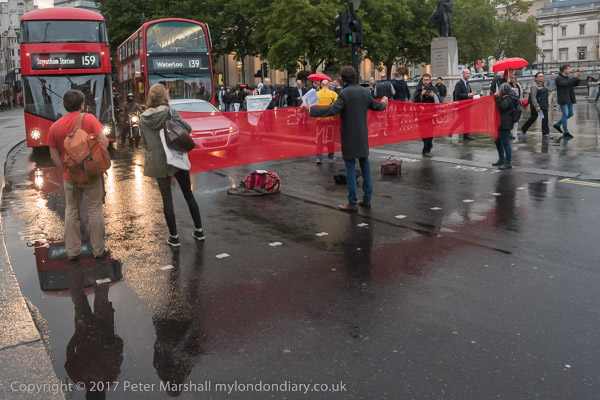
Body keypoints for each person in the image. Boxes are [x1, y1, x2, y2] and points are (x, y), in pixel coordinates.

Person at [301, 66, 388, 212]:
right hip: (362, 135)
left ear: (342, 79)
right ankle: (367, 199)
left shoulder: (344, 94)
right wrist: (384, 103)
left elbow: (332, 110)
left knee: (350, 168)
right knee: (365, 166)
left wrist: (309, 110)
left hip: (349, 136)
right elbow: (376, 106)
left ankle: (352, 202)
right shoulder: (364, 91)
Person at [140, 84, 204, 247]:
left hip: (158, 161)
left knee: (166, 199)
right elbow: (187, 129)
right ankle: (199, 231)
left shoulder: (143, 118)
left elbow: (144, 143)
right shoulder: (170, 112)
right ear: (165, 96)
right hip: (176, 157)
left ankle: (174, 237)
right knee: (188, 194)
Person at [48, 90, 109, 260]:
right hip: (91, 174)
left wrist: (66, 169)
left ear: (65, 106)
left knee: (71, 211)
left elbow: (54, 156)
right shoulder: (89, 119)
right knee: (95, 210)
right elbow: (104, 142)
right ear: (82, 105)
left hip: (70, 176)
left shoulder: (55, 127)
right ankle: (98, 250)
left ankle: (73, 252)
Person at [413, 74, 440, 157]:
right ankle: (428, 145)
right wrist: (421, 94)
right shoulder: (418, 89)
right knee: (423, 133)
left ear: (430, 80)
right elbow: (414, 100)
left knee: (430, 133)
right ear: (422, 80)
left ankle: (426, 150)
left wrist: (433, 96)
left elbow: (439, 99)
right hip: (421, 115)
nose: (426, 81)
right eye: (424, 80)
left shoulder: (434, 88)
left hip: (431, 115)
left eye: (427, 80)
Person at [494, 83, 519, 169]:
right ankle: (501, 159)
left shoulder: (509, 98)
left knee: (505, 143)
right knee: (498, 141)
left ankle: (508, 162)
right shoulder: (508, 97)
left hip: (505, 123)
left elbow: (502, 106)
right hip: (502, 122)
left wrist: (497, 97)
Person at [520, 72, 550, 141]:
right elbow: (533, 96)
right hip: (536, 105)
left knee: (545, 119)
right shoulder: (534, 86)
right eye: (540, 76)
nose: (541, 78)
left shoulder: (543, 85)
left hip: (544, 105)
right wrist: (536, 105)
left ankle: (546, 133)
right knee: (533, 118)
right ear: (536, 78)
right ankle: (523, 129)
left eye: (542, 76)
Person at [553, 64, 580, 138]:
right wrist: (573, 77)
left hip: (569, 98)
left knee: (570, 114)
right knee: (565, 114)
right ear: (564, 70)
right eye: (568, 69)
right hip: (563, 98)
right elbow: (565, 84)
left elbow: (574, 84)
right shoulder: (558, 78)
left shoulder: (567, 77)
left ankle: (558, 124)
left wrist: (577, 79)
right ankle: (566, 131)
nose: (569, 70)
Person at [315, 79, 339, 164]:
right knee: (330, 138)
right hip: (330, 119)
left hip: (320, 119)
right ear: (329, 85)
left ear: (321, 85)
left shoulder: (316, 94)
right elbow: (337, 106)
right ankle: (331, 156)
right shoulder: (333, 94)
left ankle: (319, 157)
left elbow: (312, 106)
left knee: (320, 138)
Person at [453, 69, 476, 140]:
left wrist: (473, 94)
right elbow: (458, 94)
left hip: (467, 105)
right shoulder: (459, 84)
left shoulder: (467, 83)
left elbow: (468, 93)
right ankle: (451, 130)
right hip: (461, 105)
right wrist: (468, 95)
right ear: (463, 74)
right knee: (460, 120)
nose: (468, 75)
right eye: (467, 73)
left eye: (469, 73)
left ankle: (466, 135)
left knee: (467, 120)